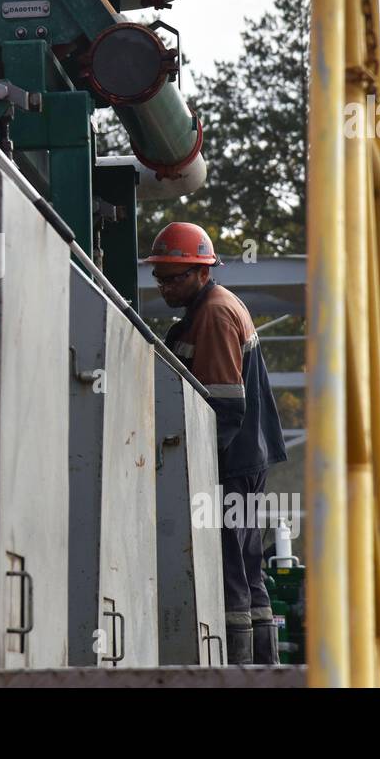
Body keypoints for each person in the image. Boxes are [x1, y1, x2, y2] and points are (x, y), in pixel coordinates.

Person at [143, 222, 288, 665]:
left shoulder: (215, 314)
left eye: (175, 277)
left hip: (231, 464)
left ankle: (242, 671)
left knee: (231, 571)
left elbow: (225, 405)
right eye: (161, 277)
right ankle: (265, 670)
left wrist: (197, 465)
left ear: (203, 272)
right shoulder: (210, 309)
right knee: (247, 568)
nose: (166, 286)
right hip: (245, 461)